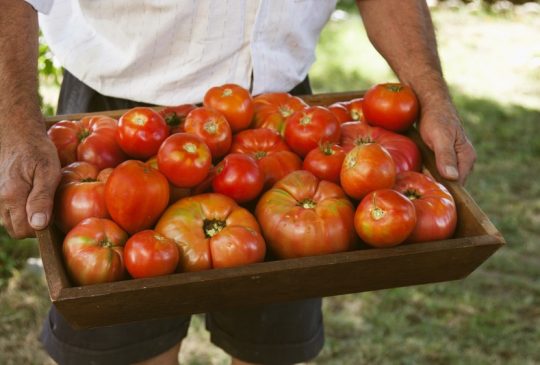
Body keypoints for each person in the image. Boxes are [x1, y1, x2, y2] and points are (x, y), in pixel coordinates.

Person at [0, 0, 476, 364]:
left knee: (269, 346)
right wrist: (15, 122)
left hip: (283, 125)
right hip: (115, 123)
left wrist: (431, 93)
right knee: (123, 352)